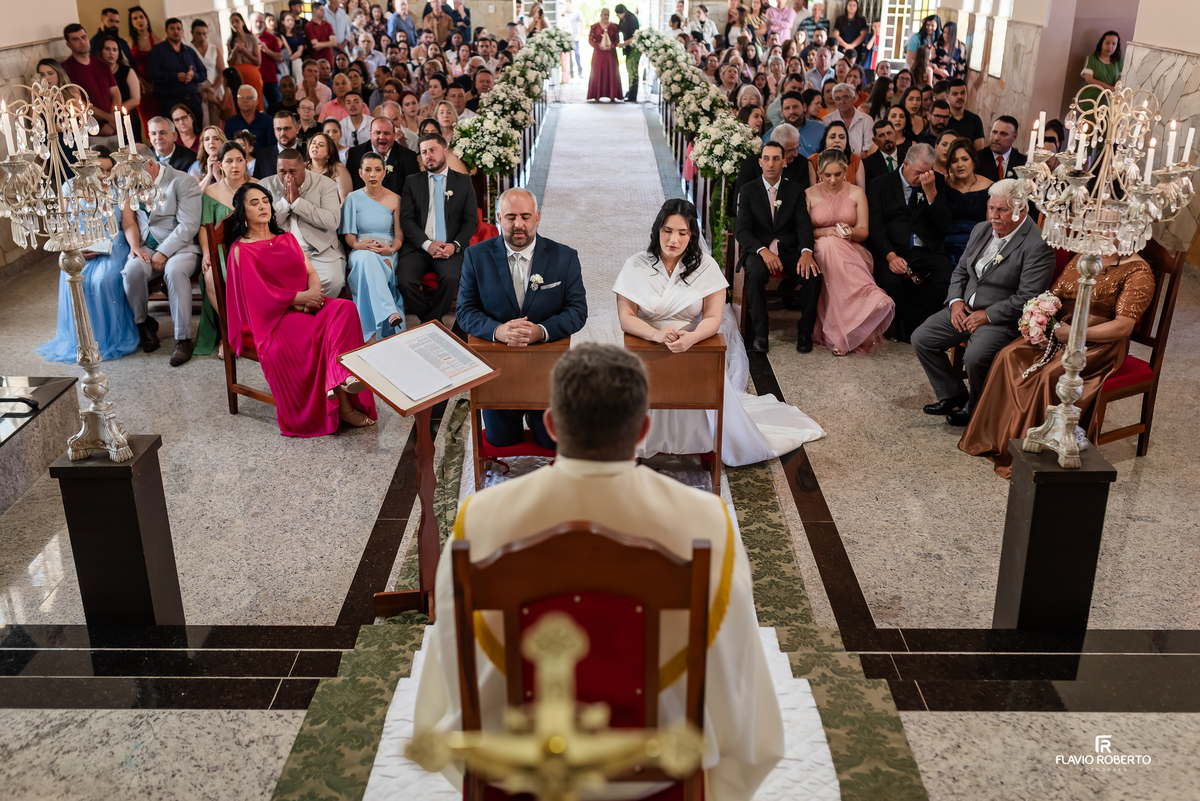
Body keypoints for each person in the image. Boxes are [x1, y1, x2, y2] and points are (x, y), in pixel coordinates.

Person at [414, 342, 785, 799]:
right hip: (659, 776)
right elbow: (737, 675)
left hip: (518, 773)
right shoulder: (706, 520)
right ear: (644, 427)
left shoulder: (480, 519)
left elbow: (450, 674)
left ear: (550, 424)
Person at [616, 199, 825, 462]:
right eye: (667, 231)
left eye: (682, 233)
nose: (673, 239)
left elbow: (713, 317)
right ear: (657, 230)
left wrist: (692, 337)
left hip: (694, 350)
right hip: (647, 348)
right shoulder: (636, 265)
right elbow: (626, 317)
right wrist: (656, 335)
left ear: (692, 236)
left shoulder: (706, 267)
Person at [959, 249, 1154, 477]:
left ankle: (1034, 452)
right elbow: (1054, 295)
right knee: (1008, 356)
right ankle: (996, 440)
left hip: (1098, 344)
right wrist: (1040, 324)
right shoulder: (1086, 255)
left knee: (1052, 374)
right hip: (1060, 330)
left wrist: (1076, 334)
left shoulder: (1139, 272)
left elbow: (1123, 327)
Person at [223, 184, 377, 434]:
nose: (262, 206)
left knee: (346, 308)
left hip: (307, 303)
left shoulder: (286, 238)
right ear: (241, 210)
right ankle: (344, 398)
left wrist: (314, 292)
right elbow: (256, 297)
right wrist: (300, 297)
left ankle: (341, 378)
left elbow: (311, 272)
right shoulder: (241, 250)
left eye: (265, 200)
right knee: (320, 338)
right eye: (254, 203)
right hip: (274, 318)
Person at [913, 179, 1056, 430]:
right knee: (922, 338)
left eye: (1001, 210)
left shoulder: (1037, 245)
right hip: (964, 309)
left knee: (975, 356)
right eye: (991, 208)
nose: (993, 215)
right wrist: (956, 302)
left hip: (1001, 318)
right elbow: (960, 272)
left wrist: (986, 315)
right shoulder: (981, 229)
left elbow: (1028, 297)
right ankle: (953, 394)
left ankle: (976, 408)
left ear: (1020, 210)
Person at [456, 187, 586, 449]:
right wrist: (498, 331)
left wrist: (541, 331)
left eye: (526, 217)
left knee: (551, 442)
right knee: (501, 441)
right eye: (511, 217)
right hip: (499, 370)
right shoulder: (475, 256)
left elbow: (578, 311)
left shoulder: (565, 257)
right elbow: (465, 311)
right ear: (498, 217)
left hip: (546, 367)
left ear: (537, 217)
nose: (519, 225)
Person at [37, 149, 140, 363]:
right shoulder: (69, 188)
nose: (104, 174)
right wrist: (74, 248)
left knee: (103, 280)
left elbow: (128, 223)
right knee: (75, 280)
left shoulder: (119, 189)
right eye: (98, 169)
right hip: (80, 243)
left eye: (108, 169)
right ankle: (82, 341)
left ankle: (110, 338)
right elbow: (62, 226)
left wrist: (135, 247)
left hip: (114, 241)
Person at [805, 148, 893, 356]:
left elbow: (864, 231)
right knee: (829, 246)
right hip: (821, 247)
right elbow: (805, 231)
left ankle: (848, 330)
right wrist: (828, 232)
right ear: (819, 173)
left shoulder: (856, 192)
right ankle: (868, 299)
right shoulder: (809, 194)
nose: (833, 180)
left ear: (845, 172)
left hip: (852, 248)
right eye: (827, 175)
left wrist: (850, 233)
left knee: (836, 251)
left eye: (838, 174)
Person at [736, 141, 822, 354]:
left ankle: (804, 333)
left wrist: (806, 252)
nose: (771, 164)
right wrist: (763, 251)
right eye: (766, 159)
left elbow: (803, 225)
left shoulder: (795, 190)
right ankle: (760, 334)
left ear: (784, 162)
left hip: (789, 250)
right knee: (754, 273)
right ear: (760, 162)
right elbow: (742, 231)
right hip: (758, 250)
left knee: (814, 276)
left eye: (776, 159)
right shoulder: (748, 191)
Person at [121, 145, 203, 365]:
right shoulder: (131, 182)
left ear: (150, 164)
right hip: (147, 246)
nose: (130, 178)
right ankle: (145, 324)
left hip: (181, 247)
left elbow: (189, 225)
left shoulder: (182, 181)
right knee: (131, 271)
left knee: (175, 272)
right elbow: (130, 220)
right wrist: (136, 246)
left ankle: (183, 338)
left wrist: (164, 252)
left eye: (134, 171)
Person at [866, 142, 952, 341]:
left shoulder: (935, 181)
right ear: (905, 163)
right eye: (919, 172)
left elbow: (943, 223)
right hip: (893, 248)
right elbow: (876, 227)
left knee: (947, 281)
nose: (923, 177)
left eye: (928, 172)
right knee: (889, 282)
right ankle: (901, 324)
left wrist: (931, 194)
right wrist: (890, 256)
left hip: (926, 248)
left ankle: (909, 319)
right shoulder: (880, 184)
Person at [396, 133, 478, 323]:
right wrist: (426, 244)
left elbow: (470, 221)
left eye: (432, 150)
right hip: (419, 247)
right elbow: (406, 219)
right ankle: (433, 321)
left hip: (450, 247)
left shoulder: (463, 181)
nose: (428, 156)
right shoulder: (412, 181)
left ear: (445, 151)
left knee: (450, 279)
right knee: (404, 280)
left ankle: (430, 321)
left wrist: (454, 245)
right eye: (424, 152)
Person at [194, 140, 257, 356]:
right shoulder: (211, 192)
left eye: (240, 160)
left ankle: (256, 328)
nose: (235, 165)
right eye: (229, 161)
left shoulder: (257, 186)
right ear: (220, 165)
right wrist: (205, 253)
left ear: (246, 161)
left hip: (253, 247)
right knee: (211, 275)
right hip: (222, 250)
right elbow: (204, 228)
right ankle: (230, 332)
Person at [260, 148, 347, 297]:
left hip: (320, 251)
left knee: (333, 281)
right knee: (270, 285)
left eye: (293, 172)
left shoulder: (325, 184)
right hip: (281, 254)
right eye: (282, 172)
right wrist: (284, 204)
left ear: (304, 167)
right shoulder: (264, 186)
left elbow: (333, 221)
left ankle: (319, 317)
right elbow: (262, 224)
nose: (288, 177)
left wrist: (298, 204)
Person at [341, 152, 405, 342]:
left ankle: (369, 334)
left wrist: (391, 250)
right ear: (360, 173)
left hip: (386, 252)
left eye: (377, 170)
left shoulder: (395, 199)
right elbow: (349, 237)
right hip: (360, 250)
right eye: (368, 170)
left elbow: (399, 235)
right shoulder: (352, 198)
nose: (372, 175)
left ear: (384, 173)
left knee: (367, 272)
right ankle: (389, 312)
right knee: (366, 260)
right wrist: (358, 245)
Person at [60, 25, 122, 146]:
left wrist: (112, 122)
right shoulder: (66, 69)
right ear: (68, 44)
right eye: (76, 39)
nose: (82, 41)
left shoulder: (102, 64)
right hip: (92, 132)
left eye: (83, 37)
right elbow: (78, 103)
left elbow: (115, 94)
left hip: (114, 129)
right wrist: (110, 119)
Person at [942, 137, 991, 266]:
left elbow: (991, 226)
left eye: (965, 159)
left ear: (974, 162)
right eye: (954, 161)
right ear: (949, 165)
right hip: (944, 244)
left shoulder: (989, 186)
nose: (960, 165)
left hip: (977, 243)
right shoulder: (942, 184)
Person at [345, 116, 421, 194]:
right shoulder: (355, 154)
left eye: (386, 133)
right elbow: (355, 189)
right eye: (377, 133)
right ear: (370, 134)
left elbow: (413, 190)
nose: (382, 137)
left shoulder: (408, 156)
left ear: (394, 135)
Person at [98, 35, 140, 134]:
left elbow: (135, 99)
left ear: (118, 53)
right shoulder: (97, 73)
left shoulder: (127, 71)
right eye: (107, 49)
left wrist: (113, 118)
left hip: (126, 117)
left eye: (114, 50)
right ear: (101, 51)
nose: (111, 52)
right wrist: (108, 118)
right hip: (103, 118)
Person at [190, 19, 226, 130]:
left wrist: (213, 88)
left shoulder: (214, 49)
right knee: (204, 121)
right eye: (198, 33)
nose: (202, 36)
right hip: (198, 88)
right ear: (192, 33)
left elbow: (221, 71)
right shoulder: (188, 50)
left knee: (217, 119)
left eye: (204, 33)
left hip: (215, 86)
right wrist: (197, 90)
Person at [807, 120, 864, 189]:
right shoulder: (813, 161)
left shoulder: (856, 160)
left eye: (842, 137)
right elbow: (813, 192)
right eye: (832, 137)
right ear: (825, 140)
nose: (837, 140)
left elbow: (861, 192)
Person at [1080, 30, 1123, 113]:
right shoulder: (1092, 59)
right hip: (1092, 99)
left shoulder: (1119, 61)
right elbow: (1089, 79)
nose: (1110, 47)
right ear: (1101, 43)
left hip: (1110, 101)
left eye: (1113, 44)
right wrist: (1109, 88)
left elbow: (1121, 77)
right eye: (1107, 43)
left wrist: (1115, 89)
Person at [825, 81, 873, 154]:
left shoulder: (867, 120)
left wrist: (855, 163)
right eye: (837, 98)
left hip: (861, 162)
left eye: (845, 97)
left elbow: (867, 150)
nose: (841, 101)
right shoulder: (827, 121)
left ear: (853, 99)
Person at [249, 11, 285, 109]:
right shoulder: (247, 38)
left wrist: (267, 51)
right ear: (250, 22)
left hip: (269, 78)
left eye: (261, 22)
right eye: (256, 21)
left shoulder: (272, 38)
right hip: (252, 79)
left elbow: (280, 58)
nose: (258, 24)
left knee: (274, 106)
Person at [225, 85, 277, 152]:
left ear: (257, 101)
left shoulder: (268, 121)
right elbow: (228, 147)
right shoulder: (230, 122)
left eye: (249, 97)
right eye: (241, 97)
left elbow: (272, 147)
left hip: (263, 159)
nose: (244, 100)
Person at [305, 131, 354, 201]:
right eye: (313, 143)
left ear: (329, 154)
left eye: (321, 145)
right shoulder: (302, 168)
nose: (315, 146)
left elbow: (346, 201)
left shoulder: (338, 169)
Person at [976, 116, 1026, 182]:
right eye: (994, 132)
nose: (996, 138)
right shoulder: (977, 158)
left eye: (1003, 134)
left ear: (1014, 137)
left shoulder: (1023, 163)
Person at [587, 9, 623, 102]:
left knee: (611, 71)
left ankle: (612, 94)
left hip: (610, 54)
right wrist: (598, 46)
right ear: (601, 15)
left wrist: (611, 46)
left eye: (608, 15)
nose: (606, 17)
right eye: (604, 15)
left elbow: (616, 39)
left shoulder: (614, 26)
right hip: (598, 54)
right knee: (598, 72)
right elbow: (590, 40)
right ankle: (597, 94)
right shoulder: (595, 26)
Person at [946, 78, 985, 152]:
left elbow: (979, 152)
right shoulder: (942, 119)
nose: (959, 96)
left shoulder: (975, 120)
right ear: (947, 96)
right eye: (955, 94)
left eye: (963, 93)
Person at [862, 119, 903, 187]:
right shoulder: (868, 163)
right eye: (881, 135)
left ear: (896, 134)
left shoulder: (907, 158)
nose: (887, 138)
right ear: (875, 141)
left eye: (889, 133)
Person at [614, 4, 641, 103]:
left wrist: (623, 44)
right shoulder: (623, 19)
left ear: (623, 12)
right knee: (629, 71)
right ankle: (630, 92)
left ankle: (633, 95)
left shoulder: (632, 19)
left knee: (633, 72)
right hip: (628, 48)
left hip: (634, 48)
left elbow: (635, 36)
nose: (617, 16)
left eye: (618, 14)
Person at [558, 0, 585, 80]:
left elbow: (582, 22)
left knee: (577, 54)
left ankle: (580, 72)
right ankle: (570, 73)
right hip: (566, 39)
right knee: (568, 56)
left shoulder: (576, 11)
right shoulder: (564, 13)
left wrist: (579, 35)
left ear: (569, 3)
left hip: (575, 37)